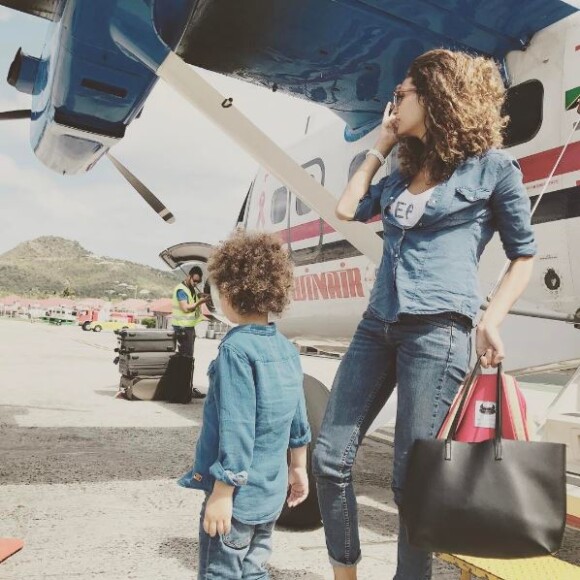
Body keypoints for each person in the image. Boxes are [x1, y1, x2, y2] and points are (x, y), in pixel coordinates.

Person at [312, 49, 537, 580]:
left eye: (402, 95)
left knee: (411, 479)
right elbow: (345, 209)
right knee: (328, 458)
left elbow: (522, 254)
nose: (393, 103)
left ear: (437, 96)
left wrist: (492, 318)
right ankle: (346, 573)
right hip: (379, 322)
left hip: (440, 329)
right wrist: (381, 144)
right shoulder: (398, 172)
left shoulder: (494, 168)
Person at [178, 231, 311, 580]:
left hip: (237, 499)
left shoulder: (235, 351)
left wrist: (223, 490)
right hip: (270, 496)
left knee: (221, 572)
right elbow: (299, 419)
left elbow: (237, 426)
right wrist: (299, 468)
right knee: (254, 570)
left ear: (230, 294)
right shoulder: (286, 349)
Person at [172, 266, 209, 399]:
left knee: (188, 360)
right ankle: (183, 390)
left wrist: (200, 296)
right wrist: (200, 302)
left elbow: (193, 298)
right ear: (189, 276)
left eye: (198, 282)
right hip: (182, 329)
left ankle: (186, 387)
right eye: (194, 281)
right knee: (185, 360)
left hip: (188, 328)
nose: (196, 284)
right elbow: (186, 308)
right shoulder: (181, 290)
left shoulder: (190, 289)